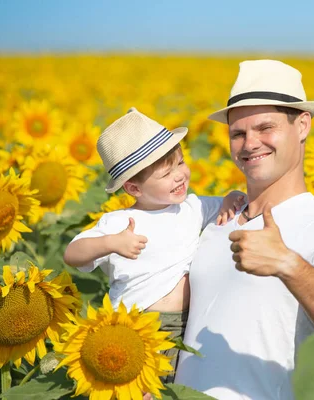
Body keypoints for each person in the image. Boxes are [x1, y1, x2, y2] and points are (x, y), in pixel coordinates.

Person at [175, 60, 314, 399]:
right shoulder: (216, 221)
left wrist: (287, 264)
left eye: (266, 128)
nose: (250, 143)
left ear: (303, 126)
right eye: (238, 133)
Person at [63, 107, 245, 382]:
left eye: (181, 163)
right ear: (134, 188)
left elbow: (228, 201)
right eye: (165, 174)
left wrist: (232, 195)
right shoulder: (121, 221)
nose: (180, 175)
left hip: (189, 324)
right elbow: (72, 254)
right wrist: (111, 243)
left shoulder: (191, 207)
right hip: (139, 326)